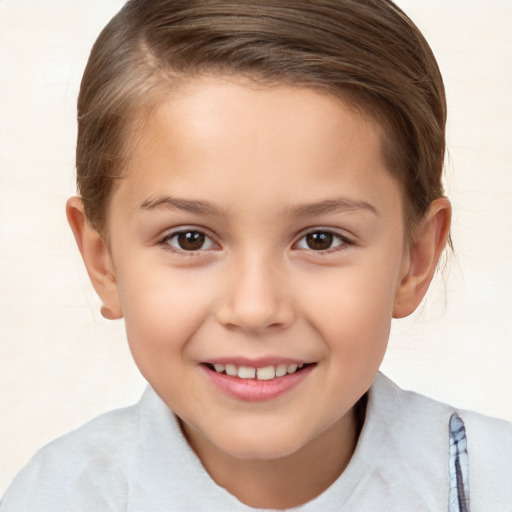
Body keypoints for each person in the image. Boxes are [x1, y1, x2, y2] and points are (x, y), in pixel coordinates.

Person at [1, 0, 510, 510]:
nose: (255, 308)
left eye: (320, 239)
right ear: (103, 260)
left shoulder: (494, 482)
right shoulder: (55, 496)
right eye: (189, 239)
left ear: (414, 260)